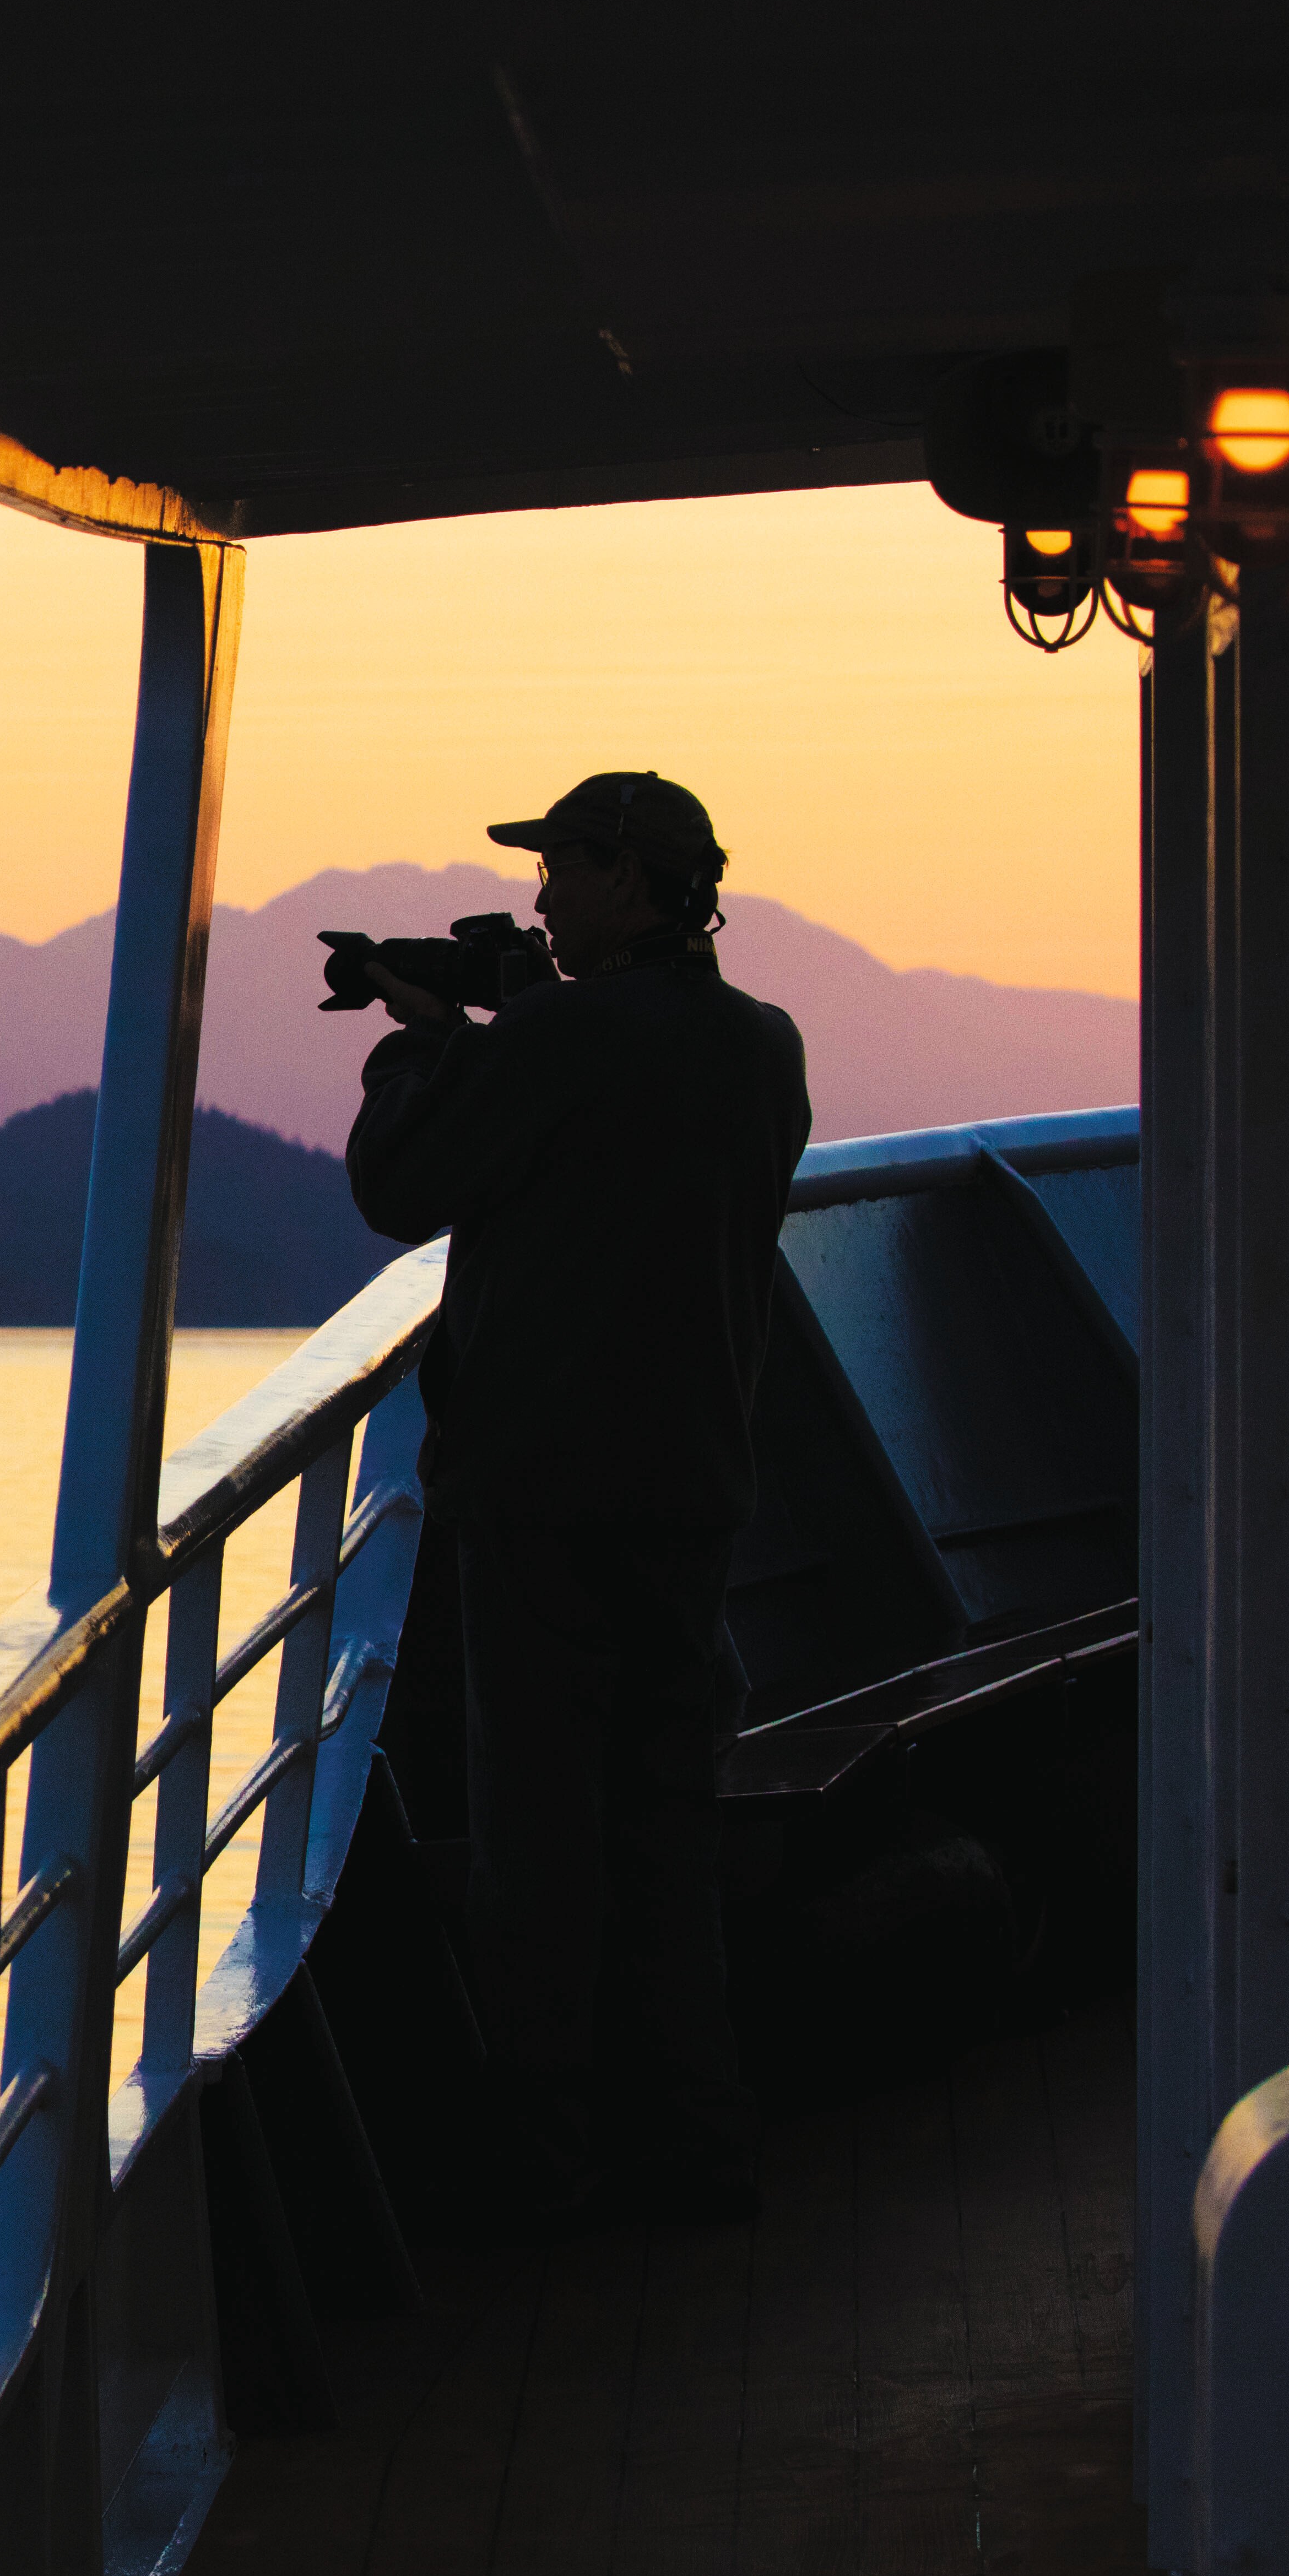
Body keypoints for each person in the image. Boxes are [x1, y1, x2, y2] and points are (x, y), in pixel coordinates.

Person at [342, 769, 811, 2225]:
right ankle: (702, 2147)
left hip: (540, 1497)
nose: (541, 895)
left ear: (623, 879)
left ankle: (547, 2169)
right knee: (667, 1829)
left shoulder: (564, 1040)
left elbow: (401, 1186)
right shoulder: (762, 1046)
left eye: (560, 868)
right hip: (693, 1488)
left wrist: (421, 1049)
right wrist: (517, 1030)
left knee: (538, 1845)